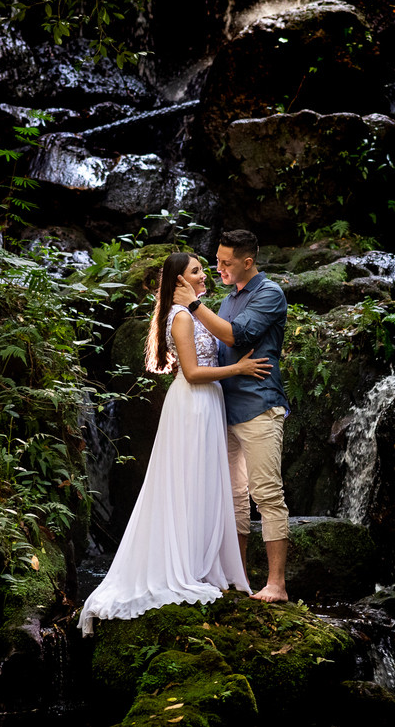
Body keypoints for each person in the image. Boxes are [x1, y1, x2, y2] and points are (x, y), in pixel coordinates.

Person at [78, 252, 271, 636]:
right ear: (179, 281)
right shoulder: (180, 318)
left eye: (201, 269)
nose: (205, 275)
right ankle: (180, 565)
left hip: (210, 403)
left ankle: (200, 560)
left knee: (203, 483)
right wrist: (239, 369)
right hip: (193, 404)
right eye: (196, 271)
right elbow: (193, 371)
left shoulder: (197, 312)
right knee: (186, 482)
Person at [173, 230, 290, 603]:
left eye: (226, 262)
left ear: (247, 262)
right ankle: (237, 576)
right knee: (235, 498)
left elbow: (237, 336)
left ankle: (277, 585)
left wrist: (192, 305)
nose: (218, 268)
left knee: (266, 494)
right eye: (217, 261)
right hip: (223, 409)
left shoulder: (269, 293)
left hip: (259, 406)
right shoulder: (226, 300)